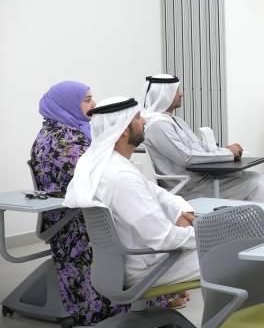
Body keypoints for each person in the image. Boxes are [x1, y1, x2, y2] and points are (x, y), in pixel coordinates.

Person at [28, 82, 155, 325]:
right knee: (140, 219)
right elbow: (100, 177)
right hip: (76, 218)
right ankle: (147, 295)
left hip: (78, 210)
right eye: (87, 100)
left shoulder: (68, 131)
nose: (94, 104)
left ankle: (153, 292)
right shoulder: (63, 141)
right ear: (66, 103)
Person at [64, 97, 200, 289]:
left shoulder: (102, 165)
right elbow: (163, 238)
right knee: (230, 252)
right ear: (124, 130)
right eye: (137, 117)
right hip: (147, 269)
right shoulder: (121, 177)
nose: (144, 121)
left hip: (127, 263)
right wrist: (201, 233)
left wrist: (181, 211)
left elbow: (157, 193)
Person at [141, 74, 264, 237]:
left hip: (201, 180)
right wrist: (228, 154)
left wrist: (225, 150)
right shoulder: (157, 126)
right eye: (176, 91)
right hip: (188, 188)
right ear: (164, 94)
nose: (181, 94)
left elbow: (198, 147)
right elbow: (187, 157)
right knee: (256, 183)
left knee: (259, 178)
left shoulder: (173, 121)